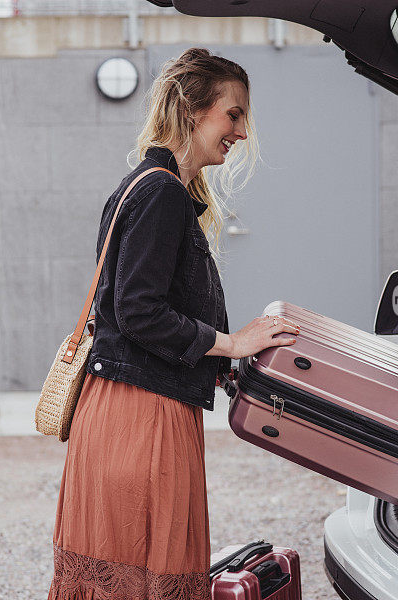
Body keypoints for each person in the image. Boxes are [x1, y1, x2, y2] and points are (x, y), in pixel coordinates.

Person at [47, 47, 300, 600]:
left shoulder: (150, 187)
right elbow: (138, 311)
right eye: (233, 114)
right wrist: (231, 342)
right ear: (192, 109)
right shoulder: (161, 192)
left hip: (125, 409)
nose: (241, 131)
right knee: (148, 575)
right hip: (141, 417)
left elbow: (133, 306)